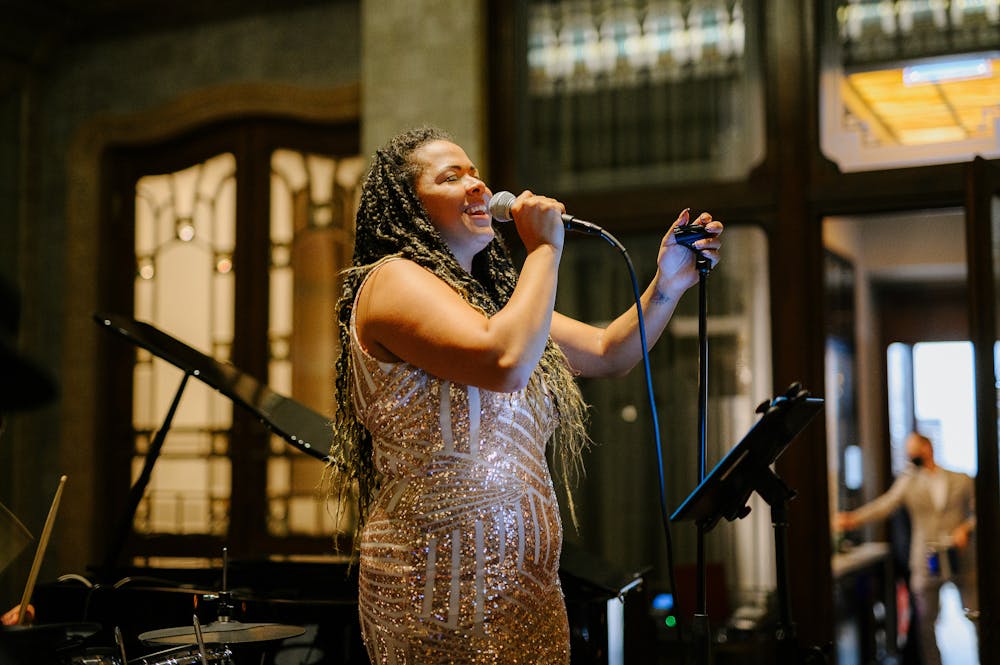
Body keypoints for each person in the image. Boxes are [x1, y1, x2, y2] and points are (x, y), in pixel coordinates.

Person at [326, 126, 723, 664]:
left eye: (474, 172)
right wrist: (544, 250)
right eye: (451, 177)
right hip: (437, 583)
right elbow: (505, 362)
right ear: (407, 209)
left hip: (526, 585)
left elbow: (609, 352)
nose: (477, 185)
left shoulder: (493, 304)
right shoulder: (391, 280)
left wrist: (667, 285)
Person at [835, 432, 977, 665]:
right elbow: (885, 505)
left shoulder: (960, 479)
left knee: (975, 613)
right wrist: (853, 519)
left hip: (959, 556)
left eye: (914, 449)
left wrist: (966, 528)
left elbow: (980, 509)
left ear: (927, 448)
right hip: (925, 558)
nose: (910, 455)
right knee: (925, 622)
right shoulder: (908, 482)